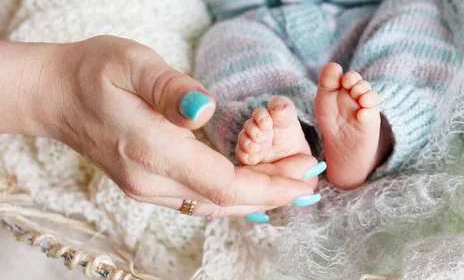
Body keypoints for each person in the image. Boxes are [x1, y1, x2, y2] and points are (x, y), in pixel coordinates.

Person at [156, 0, 460, 192]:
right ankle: (289, 141)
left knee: (418, 7)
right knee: (223, 42)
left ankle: (377, 130)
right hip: (258, 28)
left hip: (361, 21)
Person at [0, 36, 322, 219]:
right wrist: (54, 89)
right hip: (251, 16)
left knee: (367, 60)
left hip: (356, 2)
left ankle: (367, 133)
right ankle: (305, 134)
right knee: (235, 54)